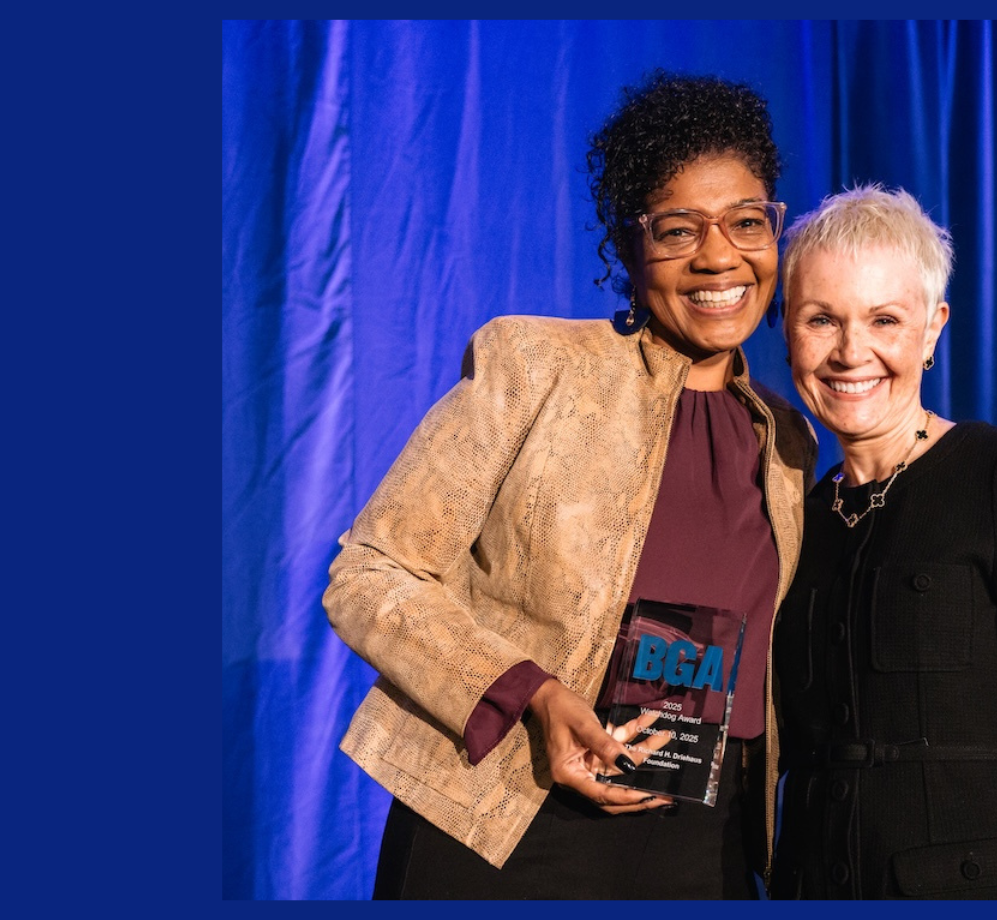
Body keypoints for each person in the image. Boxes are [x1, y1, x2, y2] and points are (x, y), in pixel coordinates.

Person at [323, 71, 815, 899]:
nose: (719, 256)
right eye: (678, 230)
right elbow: (371, 574)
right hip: (509, 820)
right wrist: (536, 696)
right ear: (628, 248)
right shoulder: (535, 368)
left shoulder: (787, 435)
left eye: (744, 223)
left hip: (704, 843)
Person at [768, 185, 997, 899]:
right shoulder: (788, 516)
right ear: (786, 329)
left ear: (932, 330)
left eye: (885, 320)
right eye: (821, 320)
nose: (850, 351)